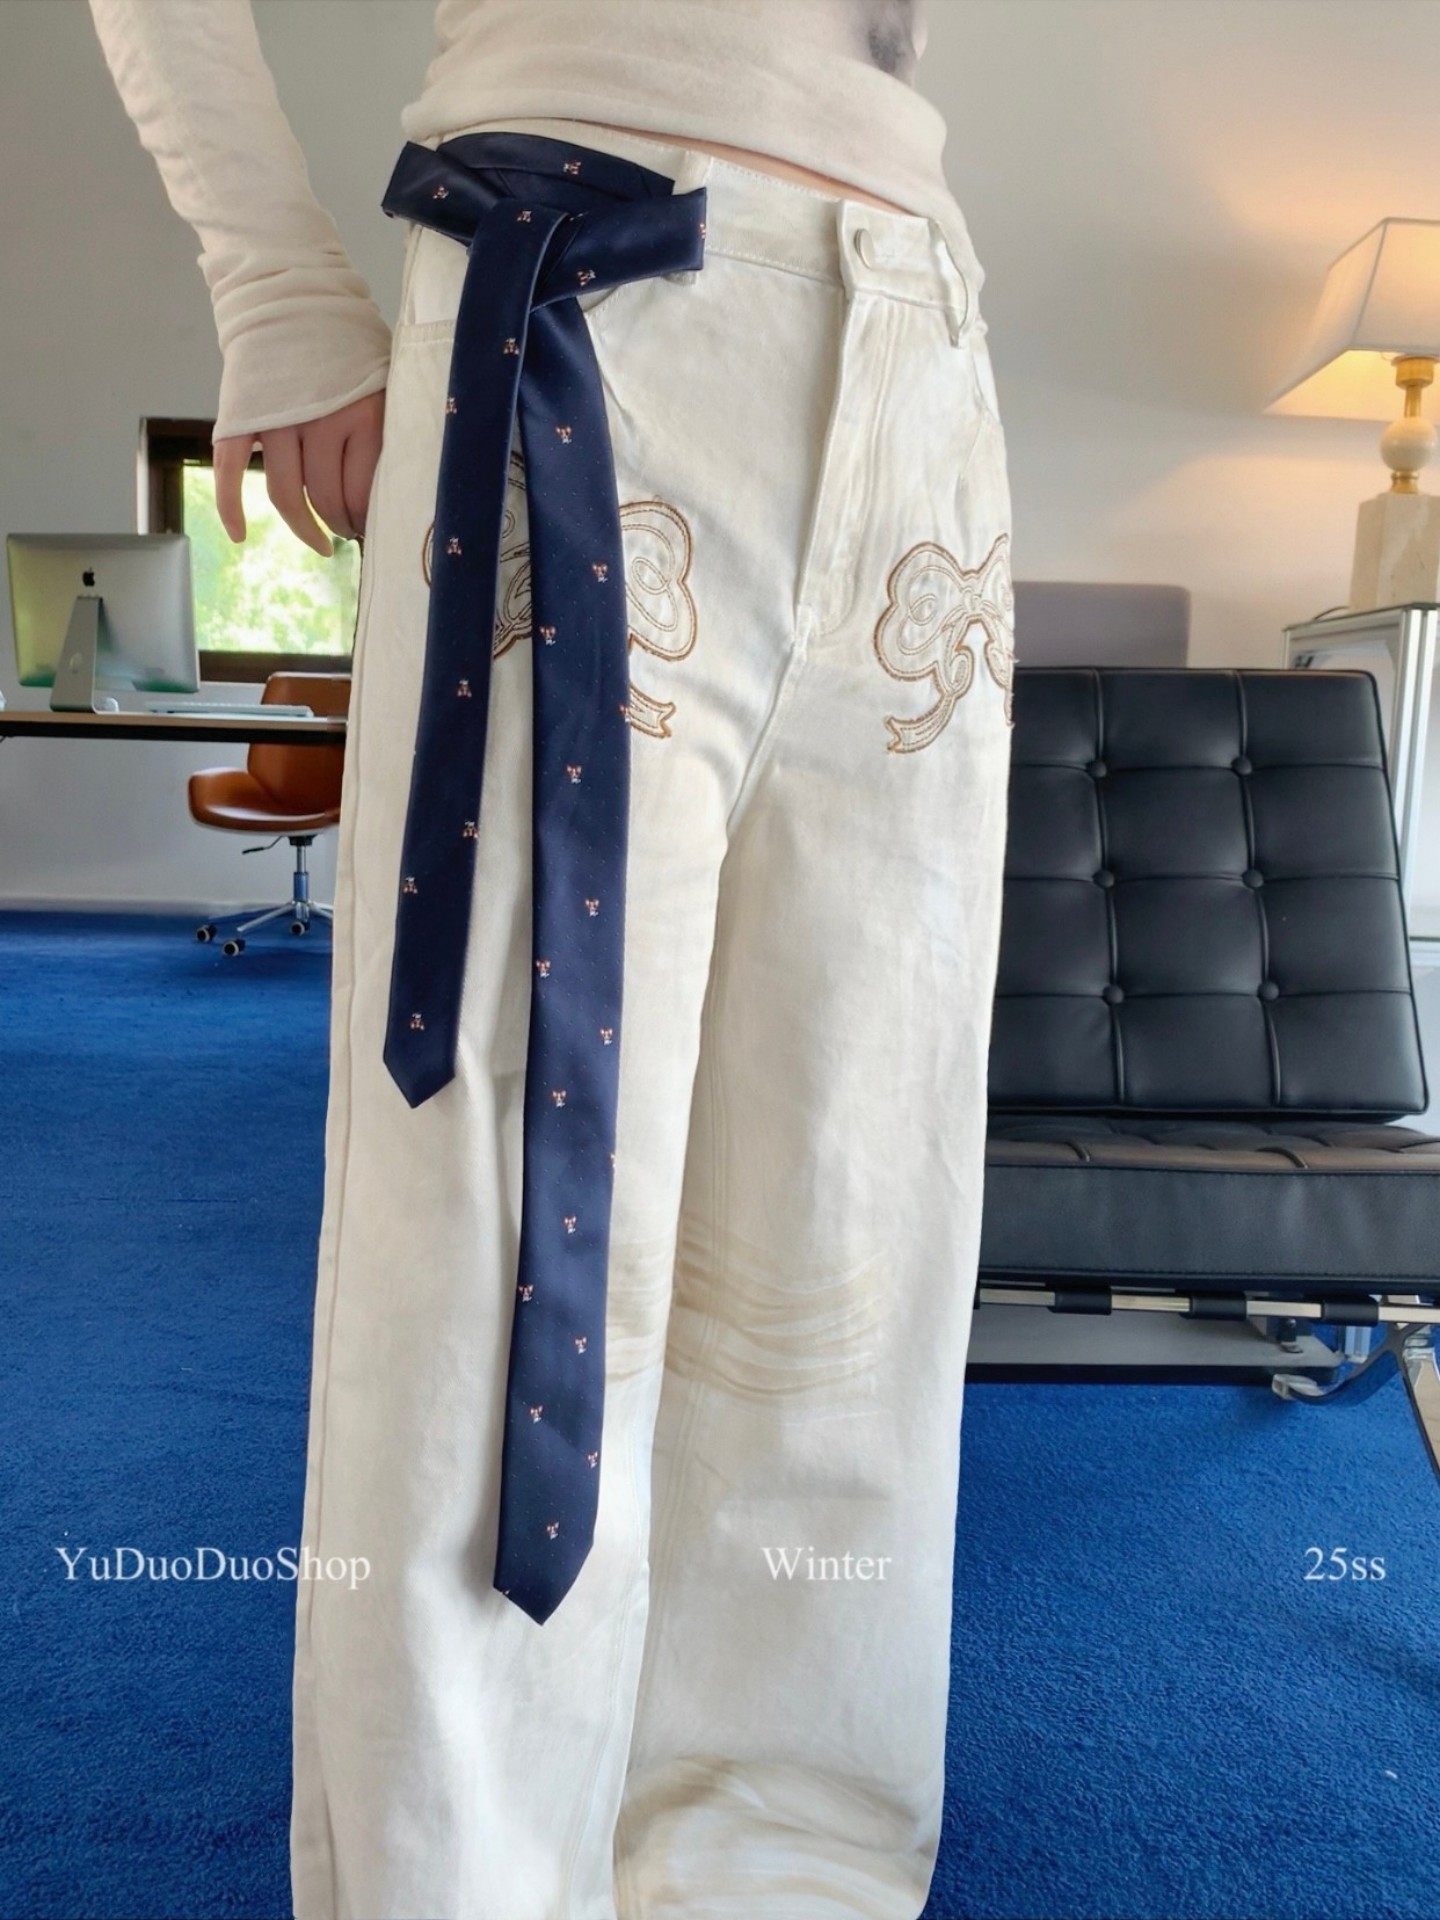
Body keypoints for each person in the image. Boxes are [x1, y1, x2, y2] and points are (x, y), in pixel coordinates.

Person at [88, 4, 1014, 1915]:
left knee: (851, 1238)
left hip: (923, 337)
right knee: (505, 1251)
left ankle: (783, 1879)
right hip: (592, 283)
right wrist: (277, 282)